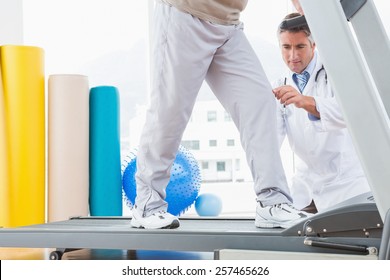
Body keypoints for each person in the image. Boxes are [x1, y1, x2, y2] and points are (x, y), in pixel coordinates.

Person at [131, 0, 311, 230]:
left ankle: (272, 202)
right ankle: (148, 205)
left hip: (229, 23)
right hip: (186, 13)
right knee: (170, 111)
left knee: (259, 101)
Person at [272, 13, 371, 213]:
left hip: (346, 184)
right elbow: (272, 138)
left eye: (300, 46)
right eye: (286, 47)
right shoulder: (279, 83)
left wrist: (305, 101)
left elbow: (351, 113)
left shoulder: (336, 74)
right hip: (306, 188)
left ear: (313, 45)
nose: (293, 56)